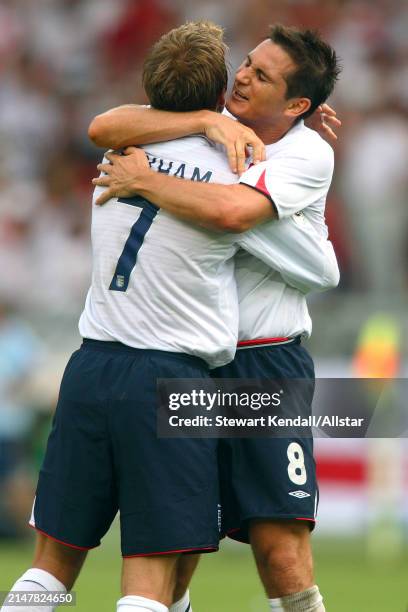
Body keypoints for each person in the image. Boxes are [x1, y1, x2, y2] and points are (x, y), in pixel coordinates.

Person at [1, 22, 338, 612]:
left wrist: (150, 179)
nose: (244, 75)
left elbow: (241, 217)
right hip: (185, 368)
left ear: (298, 105)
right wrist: (210, 122)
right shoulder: (218, 150)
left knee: (279, 548)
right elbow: (109, 126)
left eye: (262, 75)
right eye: (246, 64)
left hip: (261, 362)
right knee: (170, 558)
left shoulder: (301, 150)